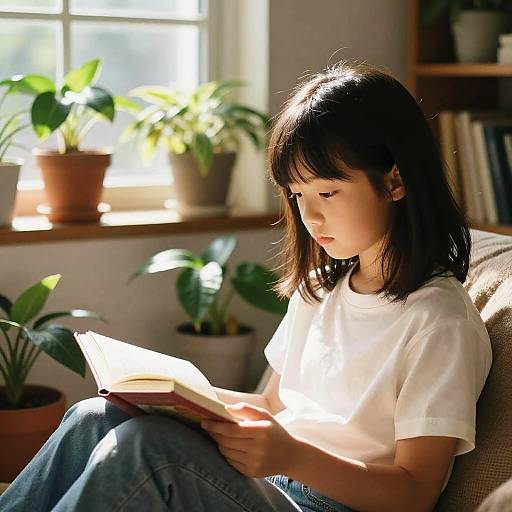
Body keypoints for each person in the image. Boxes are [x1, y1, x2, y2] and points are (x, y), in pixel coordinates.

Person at [0, 60, 492, 512]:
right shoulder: (322, 288)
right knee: (95, 416)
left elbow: (414, 492)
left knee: (148, 451)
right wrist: (169, 397)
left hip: (325, 503)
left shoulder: (438, 321)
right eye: (298, 194)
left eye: (327, 191)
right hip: (274, 482)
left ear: (395, 182)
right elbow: (274, 407)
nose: (310, 214)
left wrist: (292, 457)